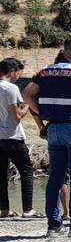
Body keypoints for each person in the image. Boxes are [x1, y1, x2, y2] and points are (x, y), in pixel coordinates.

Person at [23, 38, 71, 236]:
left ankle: (54, 225)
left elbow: (27, 94)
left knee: (55, 177)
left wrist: (41, 112)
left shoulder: (45, 71)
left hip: (54, 128)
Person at [0, 57, 36, 218]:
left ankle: (4, 209)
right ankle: (28, 209)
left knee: (1, 174)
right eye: (17, 73)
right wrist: (28, 104)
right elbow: (17, 116)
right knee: (26, 170)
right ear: (12, 71)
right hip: (12, 136)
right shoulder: (11, 88)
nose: (18, 76)